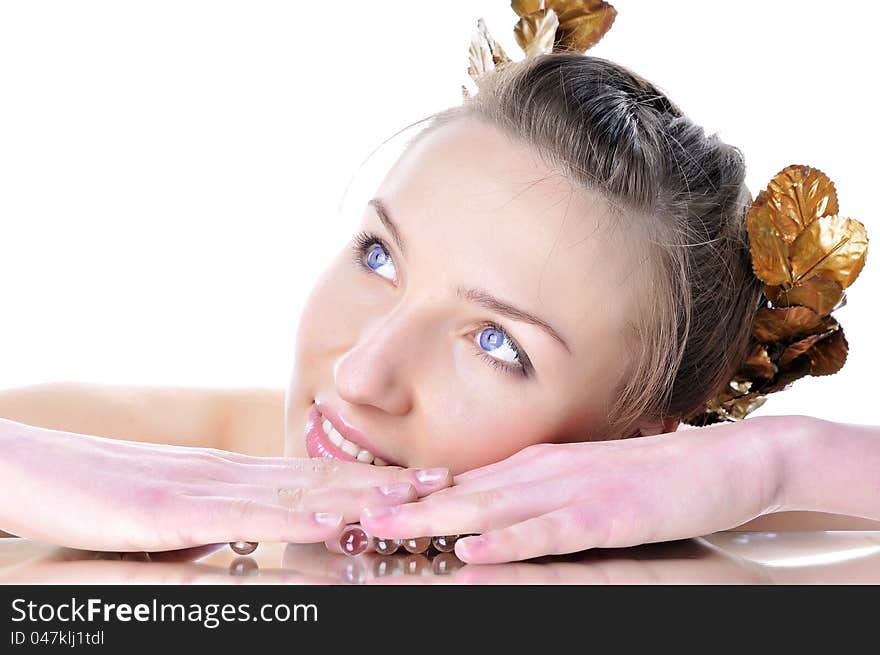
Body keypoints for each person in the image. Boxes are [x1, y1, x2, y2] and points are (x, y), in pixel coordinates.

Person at [1, 6, 878, 564]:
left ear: (638, 444)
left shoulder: (704, 525)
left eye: (497, 343)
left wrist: (779, 459)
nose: (358, 375)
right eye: (379, 255)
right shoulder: (199, 448)